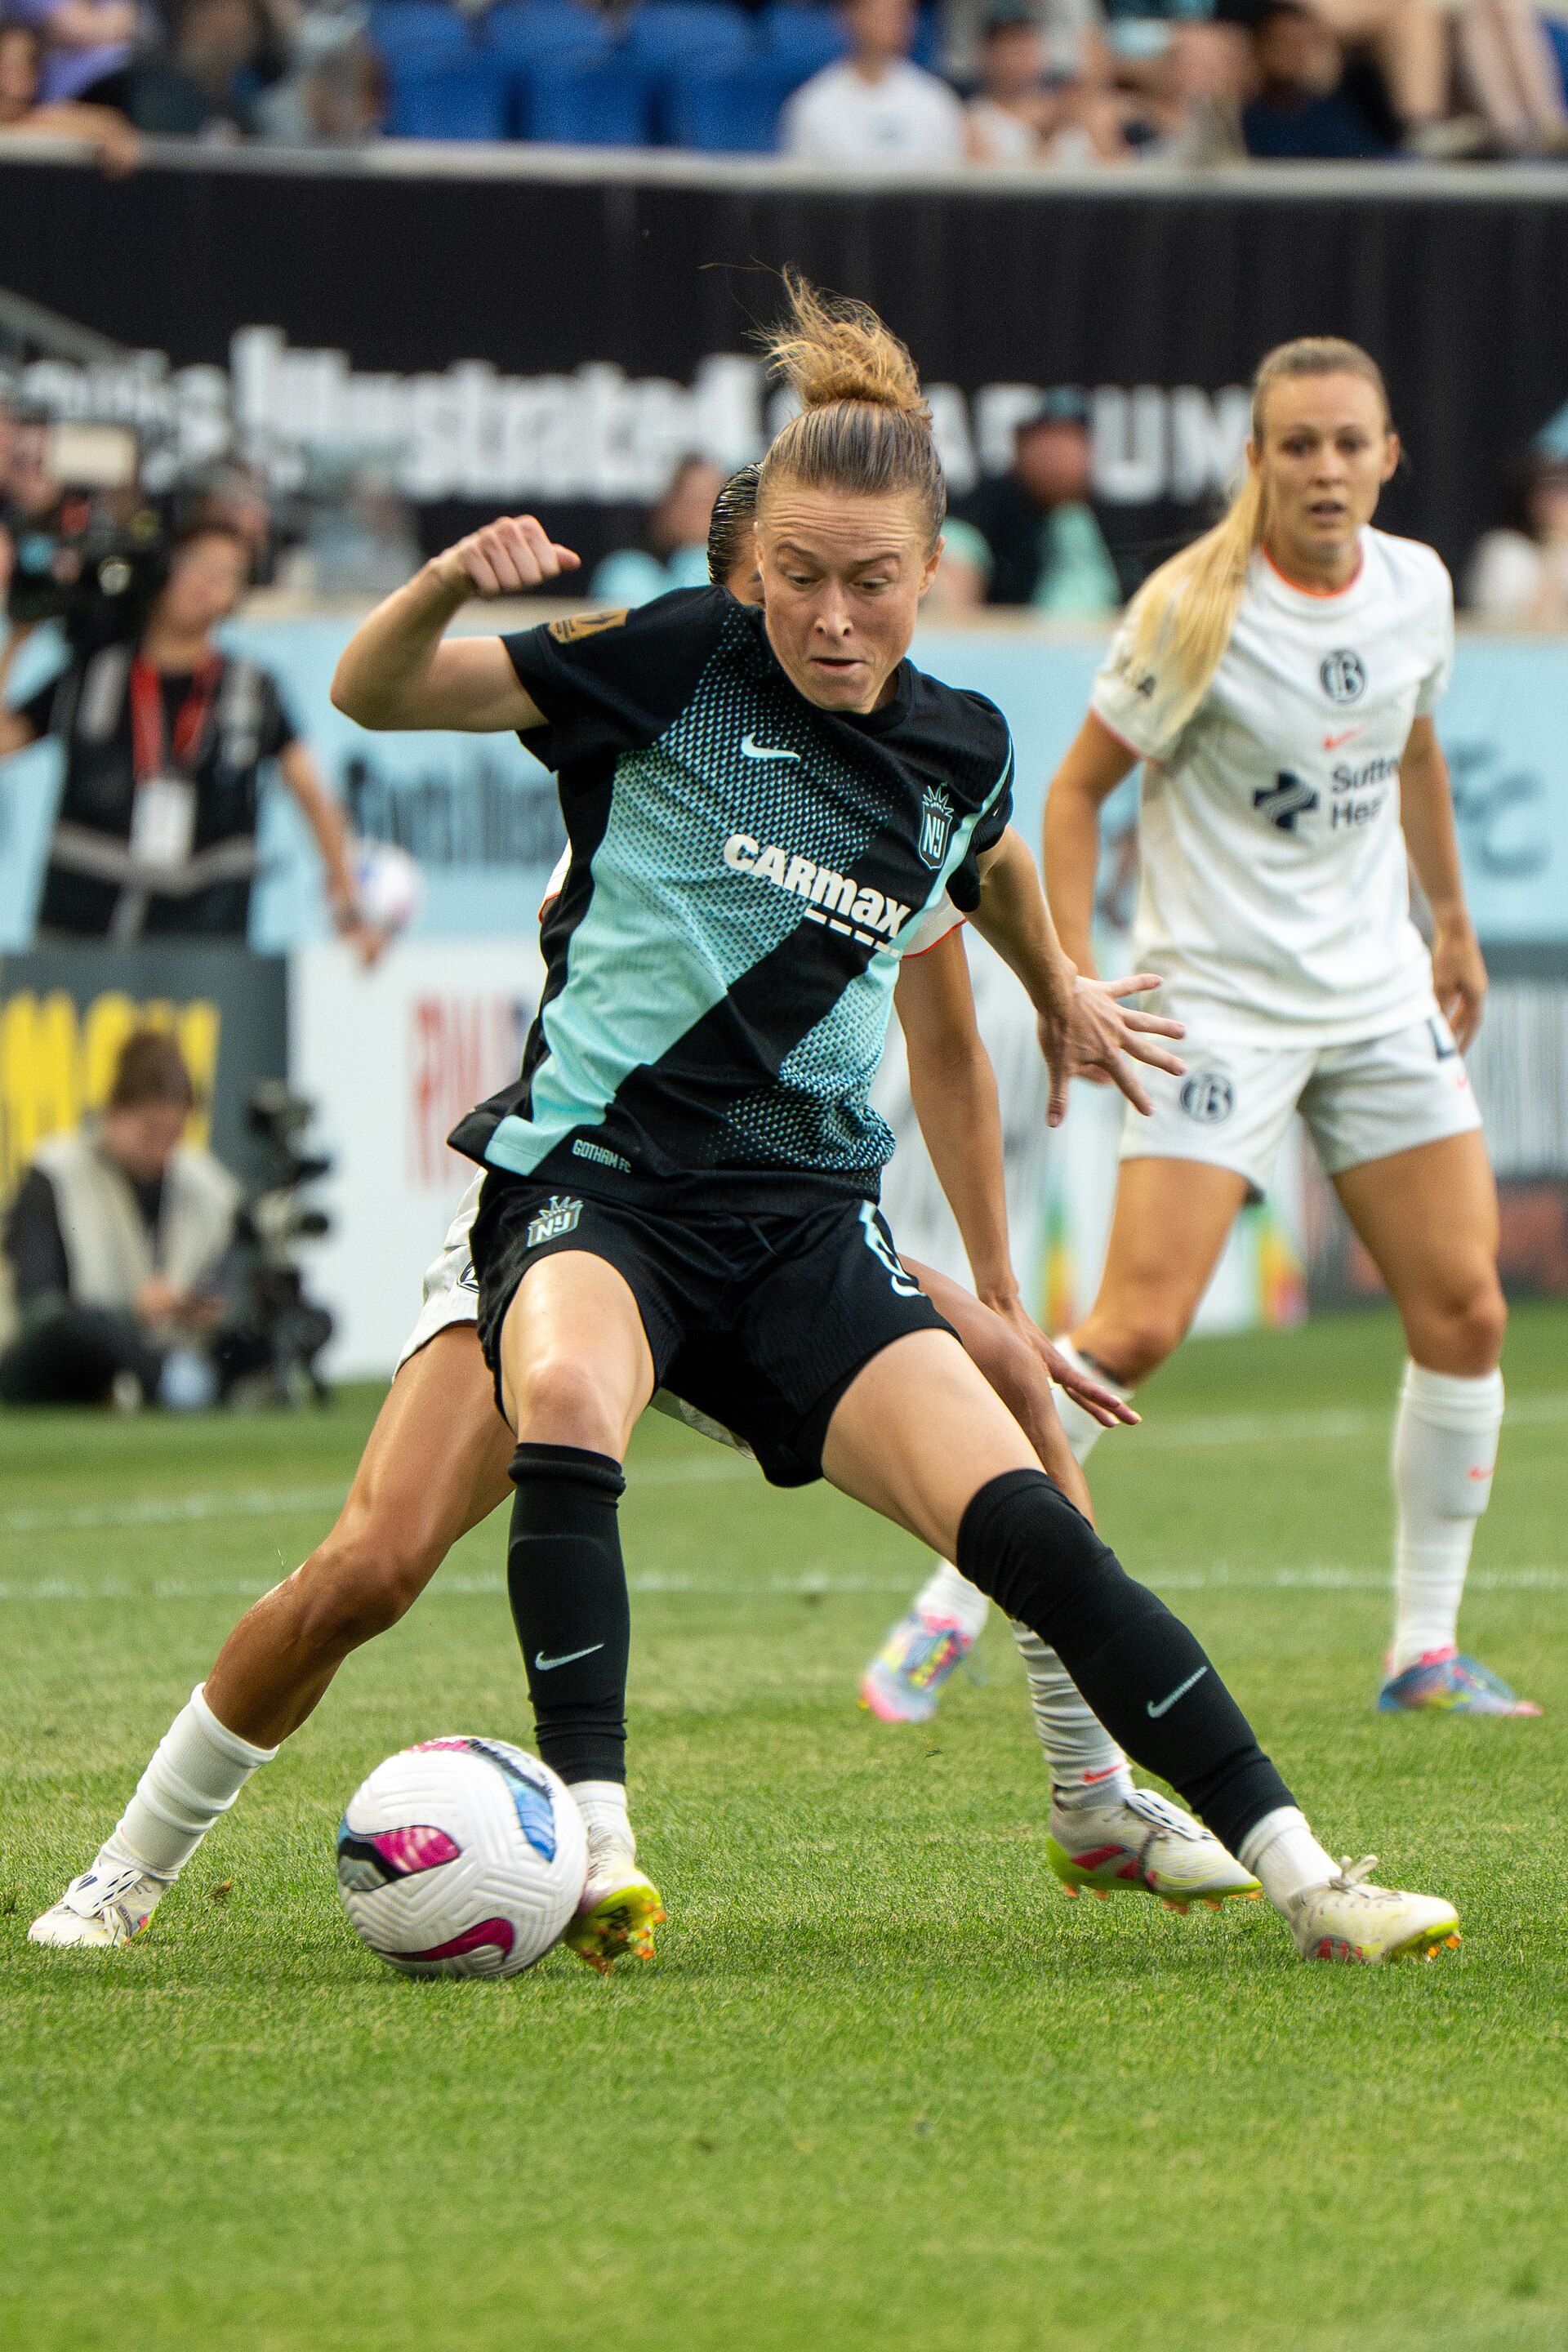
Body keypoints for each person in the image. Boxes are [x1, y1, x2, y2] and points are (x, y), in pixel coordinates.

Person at [26, 460, 1244, 1959]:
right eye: (782, 587)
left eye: (853, 587)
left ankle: (1095, 1796)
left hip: (765, 1226)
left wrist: (1004, 1249)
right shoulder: (654, 719)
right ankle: (127, 1870)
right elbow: (393, 691)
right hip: (587, 1201)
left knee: (1010, 1380)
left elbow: (948, 1026)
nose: (817, 627)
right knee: (373, 1568)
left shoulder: (888, 776)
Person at [866, 332, 1530, 1732]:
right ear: (1257, 460)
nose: (1326, 469)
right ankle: (947, 1605)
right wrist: (1072, 981)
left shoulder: (1418, 587)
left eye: (1349, 444)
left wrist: (1452, 923)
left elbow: (1412, 747)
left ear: (1389, 455)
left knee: (1467, 1310)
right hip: (1218, 1005)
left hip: (1375, 994)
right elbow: (1072, 795)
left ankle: (1425, 1650)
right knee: (1139, 1325)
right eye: (1299, 445)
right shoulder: (1194, 610)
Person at [0, 519, 375, 952]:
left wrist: (350, 904)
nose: (208, 584)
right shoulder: (96, 674)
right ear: (166, 571)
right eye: (198, 564)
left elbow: (312, 794)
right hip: (82, 937)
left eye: (227, 574)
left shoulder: (251, 690)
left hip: (204, 940)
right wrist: (19, 638)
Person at [1, 1028, 245, 1410]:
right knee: (84, 1333)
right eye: (150, 1131)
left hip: (163, 1348)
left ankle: (180, 1382)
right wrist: (133, 1313)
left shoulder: (205, 1185)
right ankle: (175, 1385)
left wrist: (202, 1308)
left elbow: (226, 1281)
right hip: (54, 1360)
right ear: (114, 1113)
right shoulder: (56, 1173)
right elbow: (38, 1312)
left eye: (174, 1134)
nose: (162, 1150)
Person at [940, 388, 1127, 615]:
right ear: (1019, 447)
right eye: (1044, 441)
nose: (1055, 456)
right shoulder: (991, 499)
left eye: (1067, 442)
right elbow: (956, 551)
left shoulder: (1107, 513)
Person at [781, 0, 966, 167]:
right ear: (849, 17)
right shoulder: (813, 105)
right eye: (879, 13)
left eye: (899, 13)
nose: (891, 23)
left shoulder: (935, 100)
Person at [963, 0, 1129, 163]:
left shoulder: (1075, 107)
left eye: (1024, 43)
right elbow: (995, 180)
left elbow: (1119, 168)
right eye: (1007, 46)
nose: (1018, 55)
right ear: (986, 54)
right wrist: (1049, 136)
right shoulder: (976, 120)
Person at [1241, 1, 1393, 154]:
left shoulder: (1326, 111)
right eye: (1282, 42)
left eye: (1300, 43)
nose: (1293, 53)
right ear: (1259, 45)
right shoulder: (1245, 117)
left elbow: (1369, 155)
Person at [0, 16, 139, 167]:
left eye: (24, 67)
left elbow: (112, 125)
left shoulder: (45, 118)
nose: (12, 78)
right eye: (6, 67)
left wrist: (114, 136)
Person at [589, 457, 726, 608]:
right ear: (669, 505)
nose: (697, 512)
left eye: (708, 501)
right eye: (688, 500)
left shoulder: (734, 576)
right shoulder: (626, 571)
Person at [1466, 450, 1568, 625]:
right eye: (1548, 493)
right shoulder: (1503, 549)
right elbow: (1492, 624)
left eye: (1563, 493)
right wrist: (1552, 552)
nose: (1555, 504)